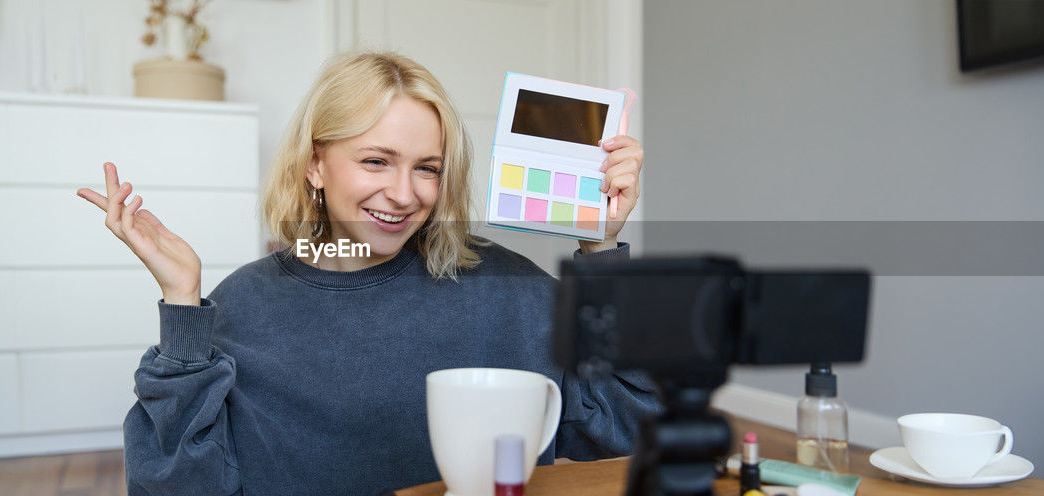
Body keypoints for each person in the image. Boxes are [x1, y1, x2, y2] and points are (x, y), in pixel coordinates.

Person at [75, 51, 656, 496]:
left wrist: (600, 251)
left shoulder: (511, 289)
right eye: (376, 161)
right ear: (314, 165)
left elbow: (632, 424)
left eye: (426, 168)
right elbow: (176, 485)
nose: (403, 195)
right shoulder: (242, 307)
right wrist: (182, 302)